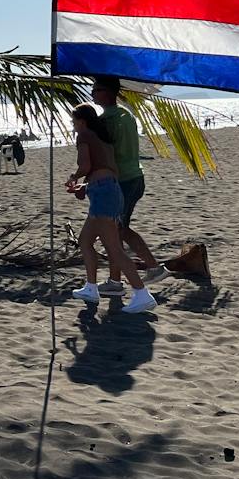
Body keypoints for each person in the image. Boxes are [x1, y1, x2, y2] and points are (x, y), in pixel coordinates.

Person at [65, 105, 155, 313]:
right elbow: (104, 170)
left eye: (74, 121)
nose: (73, 125)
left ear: (82, 121)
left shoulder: (84, 136)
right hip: (108, 190)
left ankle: (142, 294)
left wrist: (73, 177)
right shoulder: (102, 138)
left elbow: (86, 166)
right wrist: (86, 186)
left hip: (104, 194)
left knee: (114, 247)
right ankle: (91, 288)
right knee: (85, 241)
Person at [91, 77, 165, 291]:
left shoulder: (109, 120)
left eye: (96, 90)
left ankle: (153, 267)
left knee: (119, 230)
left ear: (109, 93)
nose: (92, 93)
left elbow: (108, 154)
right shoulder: (126, 114)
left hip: (123, 180)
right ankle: (115, 281)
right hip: (134, 177)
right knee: (115, 231)